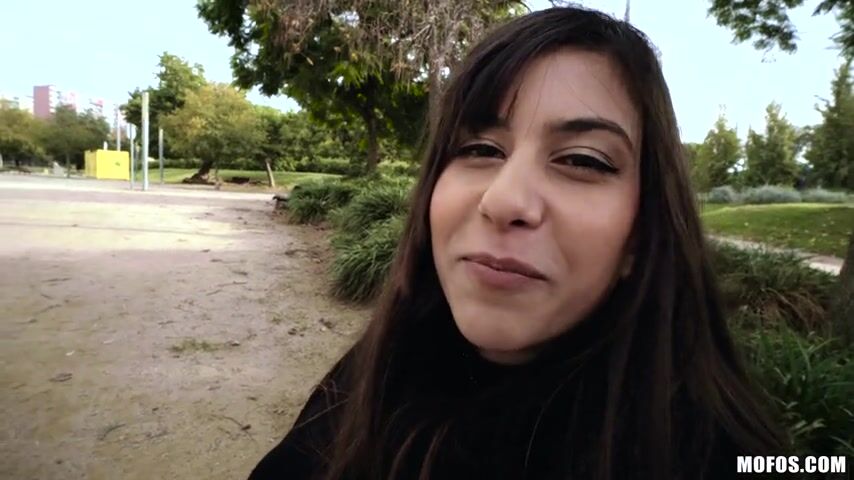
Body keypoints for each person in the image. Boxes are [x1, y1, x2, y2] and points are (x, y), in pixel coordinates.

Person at [250, 6, 786, 479]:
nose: (503, 200)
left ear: (641, 235)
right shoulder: (376, 372)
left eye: (582, 160)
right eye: (479, 149)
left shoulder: (712, 454)